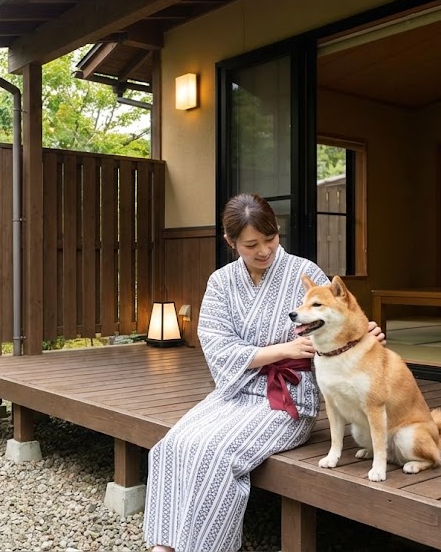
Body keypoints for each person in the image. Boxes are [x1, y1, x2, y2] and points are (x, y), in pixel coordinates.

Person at [143, 192, 384, 552]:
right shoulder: (221, 283)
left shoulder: (304, 273)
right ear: (231, 242)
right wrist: (281, 349)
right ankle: (165, 545)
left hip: (287, 400)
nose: (264, 251)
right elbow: (218, 347)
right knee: (171, 446)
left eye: (270, 239)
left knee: (215, 453)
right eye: (251, 244)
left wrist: (361, 337)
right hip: (234, 393)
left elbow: (338, 324)